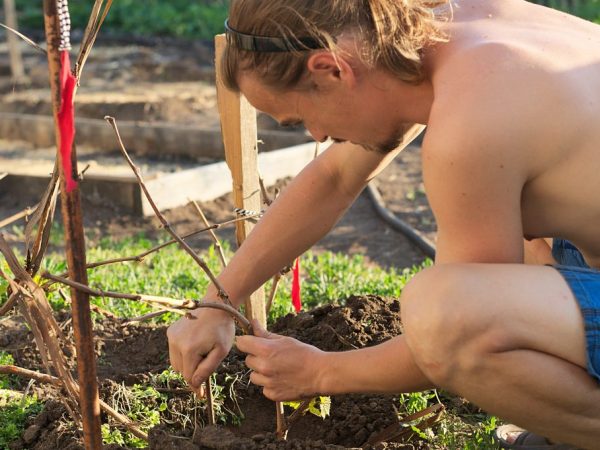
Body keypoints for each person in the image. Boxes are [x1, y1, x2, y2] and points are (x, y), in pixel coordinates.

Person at [167, 0, 600, 448]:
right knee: (521, 234)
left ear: (331, 69)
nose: (316, 136)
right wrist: (218, 301)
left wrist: (320, 371)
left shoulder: (474, 121)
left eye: (300, 119)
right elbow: (335, 177)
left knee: (443, 309)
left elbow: (459, 328)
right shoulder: (441, 29)